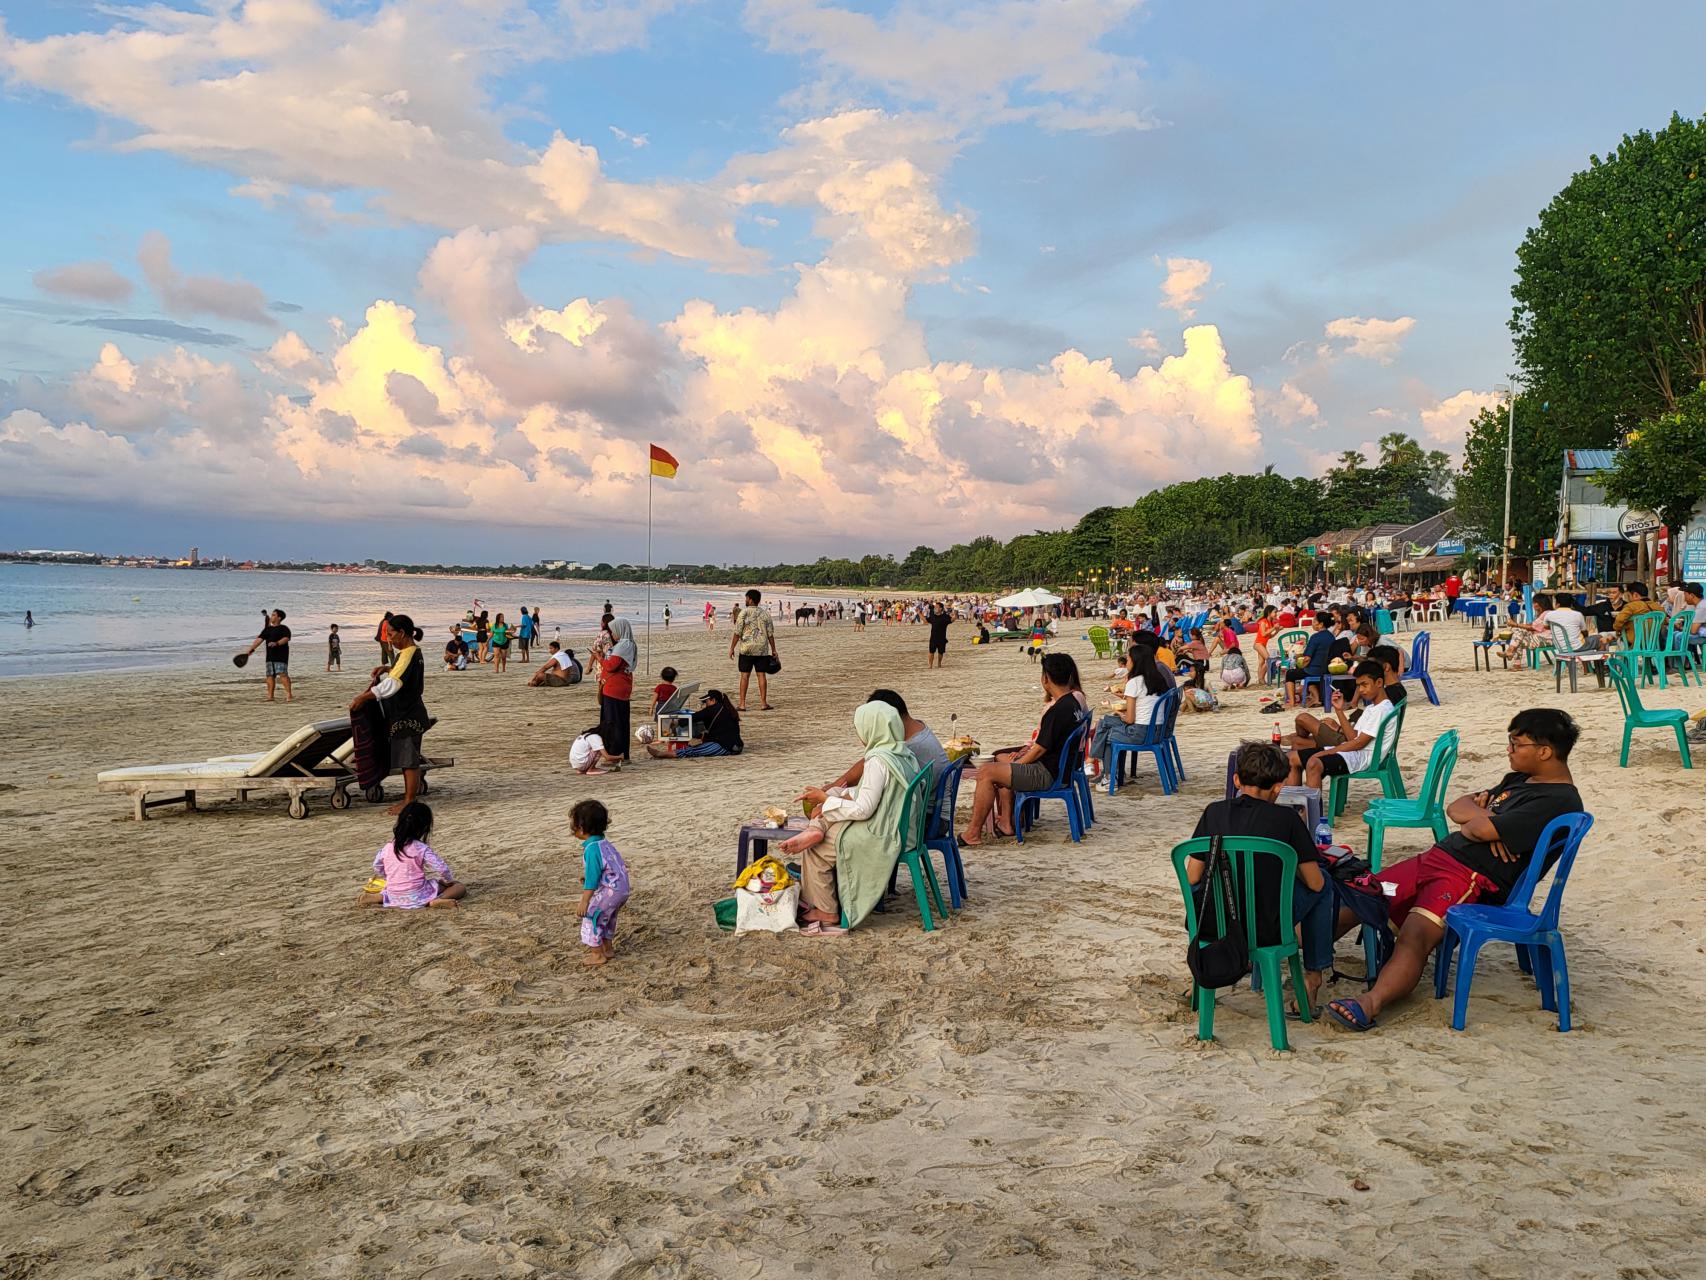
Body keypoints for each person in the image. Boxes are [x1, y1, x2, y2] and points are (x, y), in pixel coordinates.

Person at [1326, 709, 1584, 1033]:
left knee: (1415, 935)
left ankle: (1370, 1003)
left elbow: (1476, 829)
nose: (1509, 749)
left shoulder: (1558, 801)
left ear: (1544, 751)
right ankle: (1298, 959)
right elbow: (1457, 808)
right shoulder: (1520, 779)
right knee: (1363, 895)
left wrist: (1482, 821)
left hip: (1468, 880)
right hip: (1435, 859)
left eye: (1516, 743)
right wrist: (1482, 818)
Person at [1187, 741, 1332, 1013]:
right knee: (1325, 885)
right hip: (1268, 927)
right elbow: (1315, 884)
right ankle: (1313, 980)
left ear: (1236, 780)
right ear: (1279, 786)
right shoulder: (1286, 819)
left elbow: (1192, 876)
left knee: (1205, 885)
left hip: (1214, 922)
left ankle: (1201, 977)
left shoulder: (1214, 812)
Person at [776, 702, 921, 935]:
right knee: (828, 813)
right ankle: (817, 827)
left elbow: (864, 809)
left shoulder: (877, 761)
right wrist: (838, 796)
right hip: (900, 825)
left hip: (884, 831)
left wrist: (825, 796)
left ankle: (826, 910)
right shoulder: (902, 753)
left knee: (816, 850)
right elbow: (882, 794)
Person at [959, 653, 1086, 846]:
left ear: (1046, 679)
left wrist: (1017, 764)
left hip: (1048, 773)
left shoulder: (1058, 710)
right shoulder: (1074, 702)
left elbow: (1039, 750)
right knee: (1001, 762)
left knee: (986, 772)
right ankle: (1007, 822)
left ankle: (972, 833)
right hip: (1062, 768)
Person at [350, 614, 429, 815]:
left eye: (391, 634)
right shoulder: (408, 653)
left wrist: (364, 697)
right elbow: (400, 672)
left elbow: (393, 685)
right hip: (408, 713)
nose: (389, 639)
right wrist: (387, 668)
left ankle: (409, 801)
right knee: (406, 758)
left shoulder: (409, 653)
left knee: (408, 760)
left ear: (402, 633)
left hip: (407, 716)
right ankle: (409, 799)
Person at [1287, 660, 1394, 789]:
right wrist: (1339, 710)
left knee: (1314, 763)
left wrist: (1329, 752)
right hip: (1353, 752)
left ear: (1379, 683)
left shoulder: (1382, 710)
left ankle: (1312, 809)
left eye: (1365, 685)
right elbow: (1352, 738)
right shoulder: (1373, 707)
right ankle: (1295, 805)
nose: (1361, 690)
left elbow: (1360, 743)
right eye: (1359, 686)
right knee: (1291, 758)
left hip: (1363, 757)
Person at [826, 689, 949, 794]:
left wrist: (831, 794)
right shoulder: (918, 729)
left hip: (925, 815)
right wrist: (836, 786)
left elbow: (866, 800)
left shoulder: (909, 749)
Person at [1089, 644, 1172, 790]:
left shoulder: (1135, 682)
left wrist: (1119, 713)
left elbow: (1129, 719)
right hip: (1158, 731)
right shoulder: (1157, 679)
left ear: (1136, 661)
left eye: (1128, 658)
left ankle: (1107, 775)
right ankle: (1101, 769)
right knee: (1104, 722)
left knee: (1106, 732)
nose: (1126, 661)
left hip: (1141, 733)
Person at [360, 801, 466, 909]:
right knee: (459, 886)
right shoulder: (421, 848)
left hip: (394, 894)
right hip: (419, 895)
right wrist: (448, 881)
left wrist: (390, 877)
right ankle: (438, 900)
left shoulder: (388, 847)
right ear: (425, 827)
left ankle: (377, 897)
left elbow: (377, 866)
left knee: (389, 892)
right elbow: (442, 868)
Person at [572, 799, 630, 966]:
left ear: (581, 828)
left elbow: (591, 879)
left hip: (611, 890)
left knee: (592, 916)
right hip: (621, 889)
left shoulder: (592, 849)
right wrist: (594, 880)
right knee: (608, 917)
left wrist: (584, 901)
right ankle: (607, 948)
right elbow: (607, 869)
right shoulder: (604, 844)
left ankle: (597, 955)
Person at [646, 688, 743, 758]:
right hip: (736, 745)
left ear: (713, 700)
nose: (705, 704)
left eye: (706, 701)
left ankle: (662, 754)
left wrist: (678, 723)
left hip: (724, 746)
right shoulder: (727, 708)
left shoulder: (712, 709)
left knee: (693, 751)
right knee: (697, 746)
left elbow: (694, 717)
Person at [730, 588, 778, 711]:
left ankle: (742, 704)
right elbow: (770, 634)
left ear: (750, 600)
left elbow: (737, 632)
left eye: (746, 598)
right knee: (761, 675)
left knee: (744, 675)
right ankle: (763, 703)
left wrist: (732, 648)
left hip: (746, 649)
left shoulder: (743, 613)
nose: (745, 600)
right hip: (762, 649)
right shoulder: (765, 614)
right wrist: (774, 649)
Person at [598, 618, 636, 760]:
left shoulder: (622, 646)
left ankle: (615, 753)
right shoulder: (628, 644)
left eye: (614, 631)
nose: (612, 634)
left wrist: (600, 659)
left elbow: (611, 666)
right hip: (621, 688)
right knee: (621, 722)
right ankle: (622, 753)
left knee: (612, 723)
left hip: (614, 689)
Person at [240, 609, 293, 702]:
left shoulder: (284, 628)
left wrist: (276, 643)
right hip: (270, 656)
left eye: (273, 615)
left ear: (279, 617)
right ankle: (270, 696)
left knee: (283, 674)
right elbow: (259, 639)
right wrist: (251, 649)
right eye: (272, 615)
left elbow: (286, 638)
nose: (271, 617)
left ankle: (289, 694)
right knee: (270, 676)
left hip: (281, 656)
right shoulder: (267, 629)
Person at [1283, 613, 1334, 708]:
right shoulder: (1331, 636)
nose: (1312, 623)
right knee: (1307, 676)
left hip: (1314, 670)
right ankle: (1316, 698)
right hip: (1326, 669)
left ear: (1321, 624)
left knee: (1290, 674)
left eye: (1314, 621)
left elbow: (1307, 658)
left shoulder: (1315, 637)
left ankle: (1291, 702)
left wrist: (1301, 666)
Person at [1612, 581, 1662, 646]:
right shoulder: (1658, 607)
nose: (1628, 599)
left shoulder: (1631, 606)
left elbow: (1619, 620)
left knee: (1616, 642)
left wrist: (1617, 629)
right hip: (1654, 645)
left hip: (1634, 645)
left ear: (1635, 595)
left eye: (1628, 596)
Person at [926, 601, 952, 668]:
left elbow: (951, 620)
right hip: (933, 637)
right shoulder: (932, 616)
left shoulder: (945, 616)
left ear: (940, 608)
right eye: (935, 607)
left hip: (942, 637)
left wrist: (955, 615)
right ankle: (930, 665)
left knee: (941, 652)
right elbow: (926, 621)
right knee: (931, 651)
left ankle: (939, 663)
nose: (935, 608)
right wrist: (919, 613)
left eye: (936, 607)